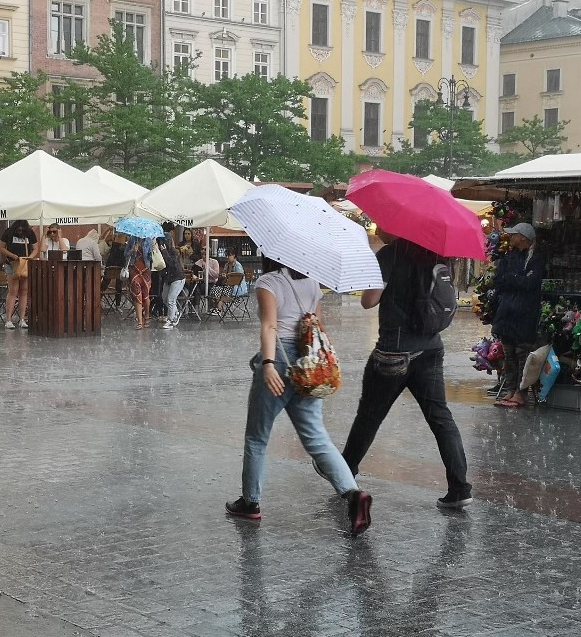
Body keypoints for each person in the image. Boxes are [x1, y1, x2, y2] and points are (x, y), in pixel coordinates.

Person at [226, 255, 372, 536]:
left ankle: (250, 502)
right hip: (307, 362)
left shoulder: (269, 281)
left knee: (257, 436)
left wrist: (268, 364)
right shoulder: (313, 283)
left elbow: (270, 326)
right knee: (317, 437)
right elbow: (316, 324)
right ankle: (353, 494)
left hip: (280, 360)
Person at [331, 230, 473, 509]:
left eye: (381, 223)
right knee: (441, 419)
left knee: (369, 416)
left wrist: (372, 276)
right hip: (430, 348)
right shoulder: (436, 255)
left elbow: (368, 301)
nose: (377, 227)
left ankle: (344, 475)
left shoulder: (389, 255)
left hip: (394, 352)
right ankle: (460, 487)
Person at [492, 223, 544, 408]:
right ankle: (510, 389)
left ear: (523, 237)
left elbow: (530, 283)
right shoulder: (508, 257)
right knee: (508, 355)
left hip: (524, 315)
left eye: (514, 234)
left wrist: (512, 278)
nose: (511, 237)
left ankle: (520, 393)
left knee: (522, 355)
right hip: (507, 313)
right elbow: (498, 280)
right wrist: (518, 278)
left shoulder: (535, 259)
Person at [0, 220, 38, 329]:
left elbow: (35, 248)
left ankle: (21, 319)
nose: (20, 232)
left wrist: (29, 258)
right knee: (13, 291)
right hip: (11, 263)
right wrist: (13, 255)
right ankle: (8, 320)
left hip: (24, 264)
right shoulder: (8, 232)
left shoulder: (30, 233)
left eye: (22, 230)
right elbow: (1, 247)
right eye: (19, 230)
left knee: (24, 291)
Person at [210, 250, 248, 316]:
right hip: (228, 286)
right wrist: (223, 276)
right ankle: (218, 308)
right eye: (227, 255)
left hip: (237, 288)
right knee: (214, 289)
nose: (227, 257)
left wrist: (227, 276)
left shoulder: (238, 266)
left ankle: (219, 309)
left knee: (220, 291)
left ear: (234, 256)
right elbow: (225, 275)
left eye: (229, 255)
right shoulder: (227, 265)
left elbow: (238, 279)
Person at [126, 236, 152, 330]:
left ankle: (147, 315)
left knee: (146, 294)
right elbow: (125, 254)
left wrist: (153, 249)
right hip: (134, 268)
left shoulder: (149, 240)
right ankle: (140, 321)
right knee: (137, 293)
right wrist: (132, 251)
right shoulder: (132, 239)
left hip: (145, 269)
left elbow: (151, 256)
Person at [160, 238, 185, 329]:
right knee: (165, 298)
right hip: (168, 278)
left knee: (171, 299)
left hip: (178, 278)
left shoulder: (175, 252)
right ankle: (176, 313)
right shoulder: (161, 252)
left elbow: (172, 263)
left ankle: (171, 320)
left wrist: (165, 252)